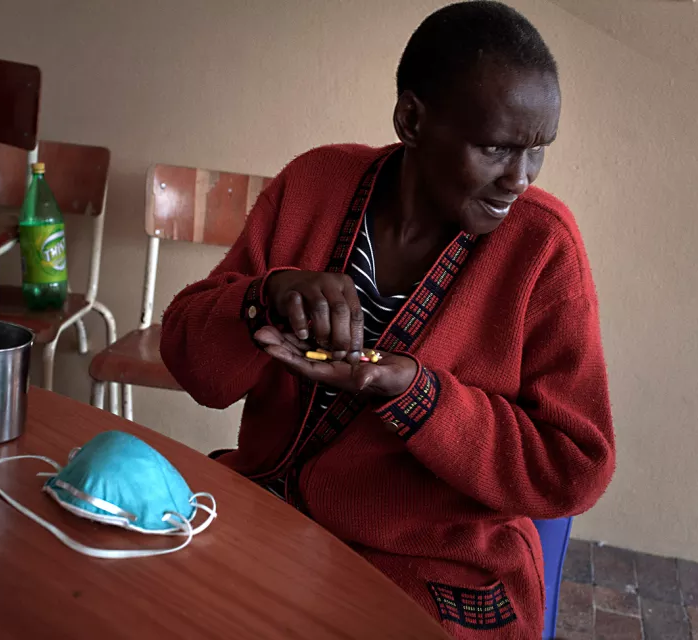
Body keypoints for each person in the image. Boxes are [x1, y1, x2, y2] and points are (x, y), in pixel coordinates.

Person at [161, 2, 615, 637]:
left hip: (432, 572)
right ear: (412, 119)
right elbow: (192, 362)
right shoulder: (314, 184)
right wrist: (265, 297)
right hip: (268, 522)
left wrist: (415, 394)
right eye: (496, 148)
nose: (521, 178)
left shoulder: (543, 249)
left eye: (539, 150)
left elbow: (575, 466)